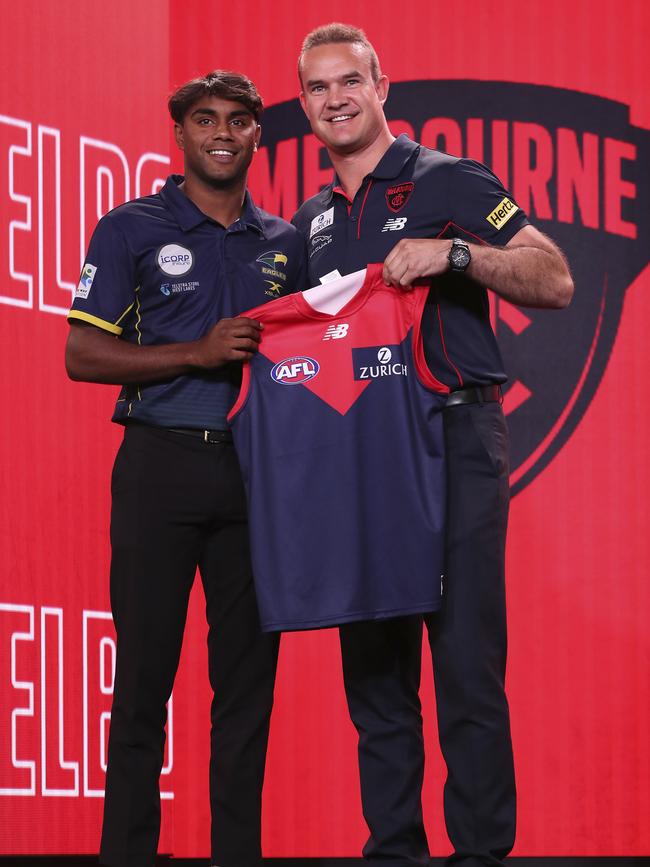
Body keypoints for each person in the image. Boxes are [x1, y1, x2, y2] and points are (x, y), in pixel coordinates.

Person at [292, 24, 573, 867]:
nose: (336, 98)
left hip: (451, 433)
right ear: (304, 104)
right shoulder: (308, 222)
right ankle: (394, 853)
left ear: (384, 87)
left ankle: (481, 854)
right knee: (375, 673)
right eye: (318, 88)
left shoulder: (448, 179)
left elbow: (552, 275)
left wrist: (455, 252)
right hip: (357, 455)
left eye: (350, 81)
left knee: (463, 663)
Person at [65, 70, 306, 867]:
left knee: (246, 693)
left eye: (240, 121)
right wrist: (195, 354)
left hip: (254, 479)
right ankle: (127, 856)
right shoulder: (130, 226)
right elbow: (83, 353)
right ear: (181, 133)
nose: (223, 133)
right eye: (206, 119)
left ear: (256, 136)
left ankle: (238, 855)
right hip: (158, 467)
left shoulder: (285, 243)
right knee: (142, 685)